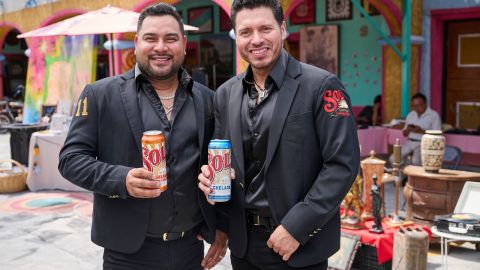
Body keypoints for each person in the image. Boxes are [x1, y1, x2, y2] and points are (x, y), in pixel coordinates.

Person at [58, 3, 227, 270]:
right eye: (151, 38)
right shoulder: (100, 95)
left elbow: (218, 166)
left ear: (183, 44)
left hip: (189, 250)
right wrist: (120, 179)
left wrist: (221, 226)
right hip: (127, 254)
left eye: (170, 39)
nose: (161, 47)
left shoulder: (206, 99)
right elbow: (70, 160)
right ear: (137, 42)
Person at [198, 1, 360, 269]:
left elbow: (342, 165)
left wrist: (297, 228)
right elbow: (223, 158)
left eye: (265, 29)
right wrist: (212, 180)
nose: (256, 40)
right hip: (244, 247)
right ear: (236, 36)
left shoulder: (323, 86)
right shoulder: (225, 94)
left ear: (282, 29)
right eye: (246, 32)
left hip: (298, 244)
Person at [389, 93, 441, 166]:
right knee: (394, 158)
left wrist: (421, 131)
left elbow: (437, 135)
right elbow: (404, 133)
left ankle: (414, 175)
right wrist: (407, 130)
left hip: (423, 144)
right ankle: (402, 176)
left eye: (418, 106)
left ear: (425, 104)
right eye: (414, 106)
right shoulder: (411, 114)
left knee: (415, 161)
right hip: (409, 142)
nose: (416, 108)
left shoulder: (433, 115)